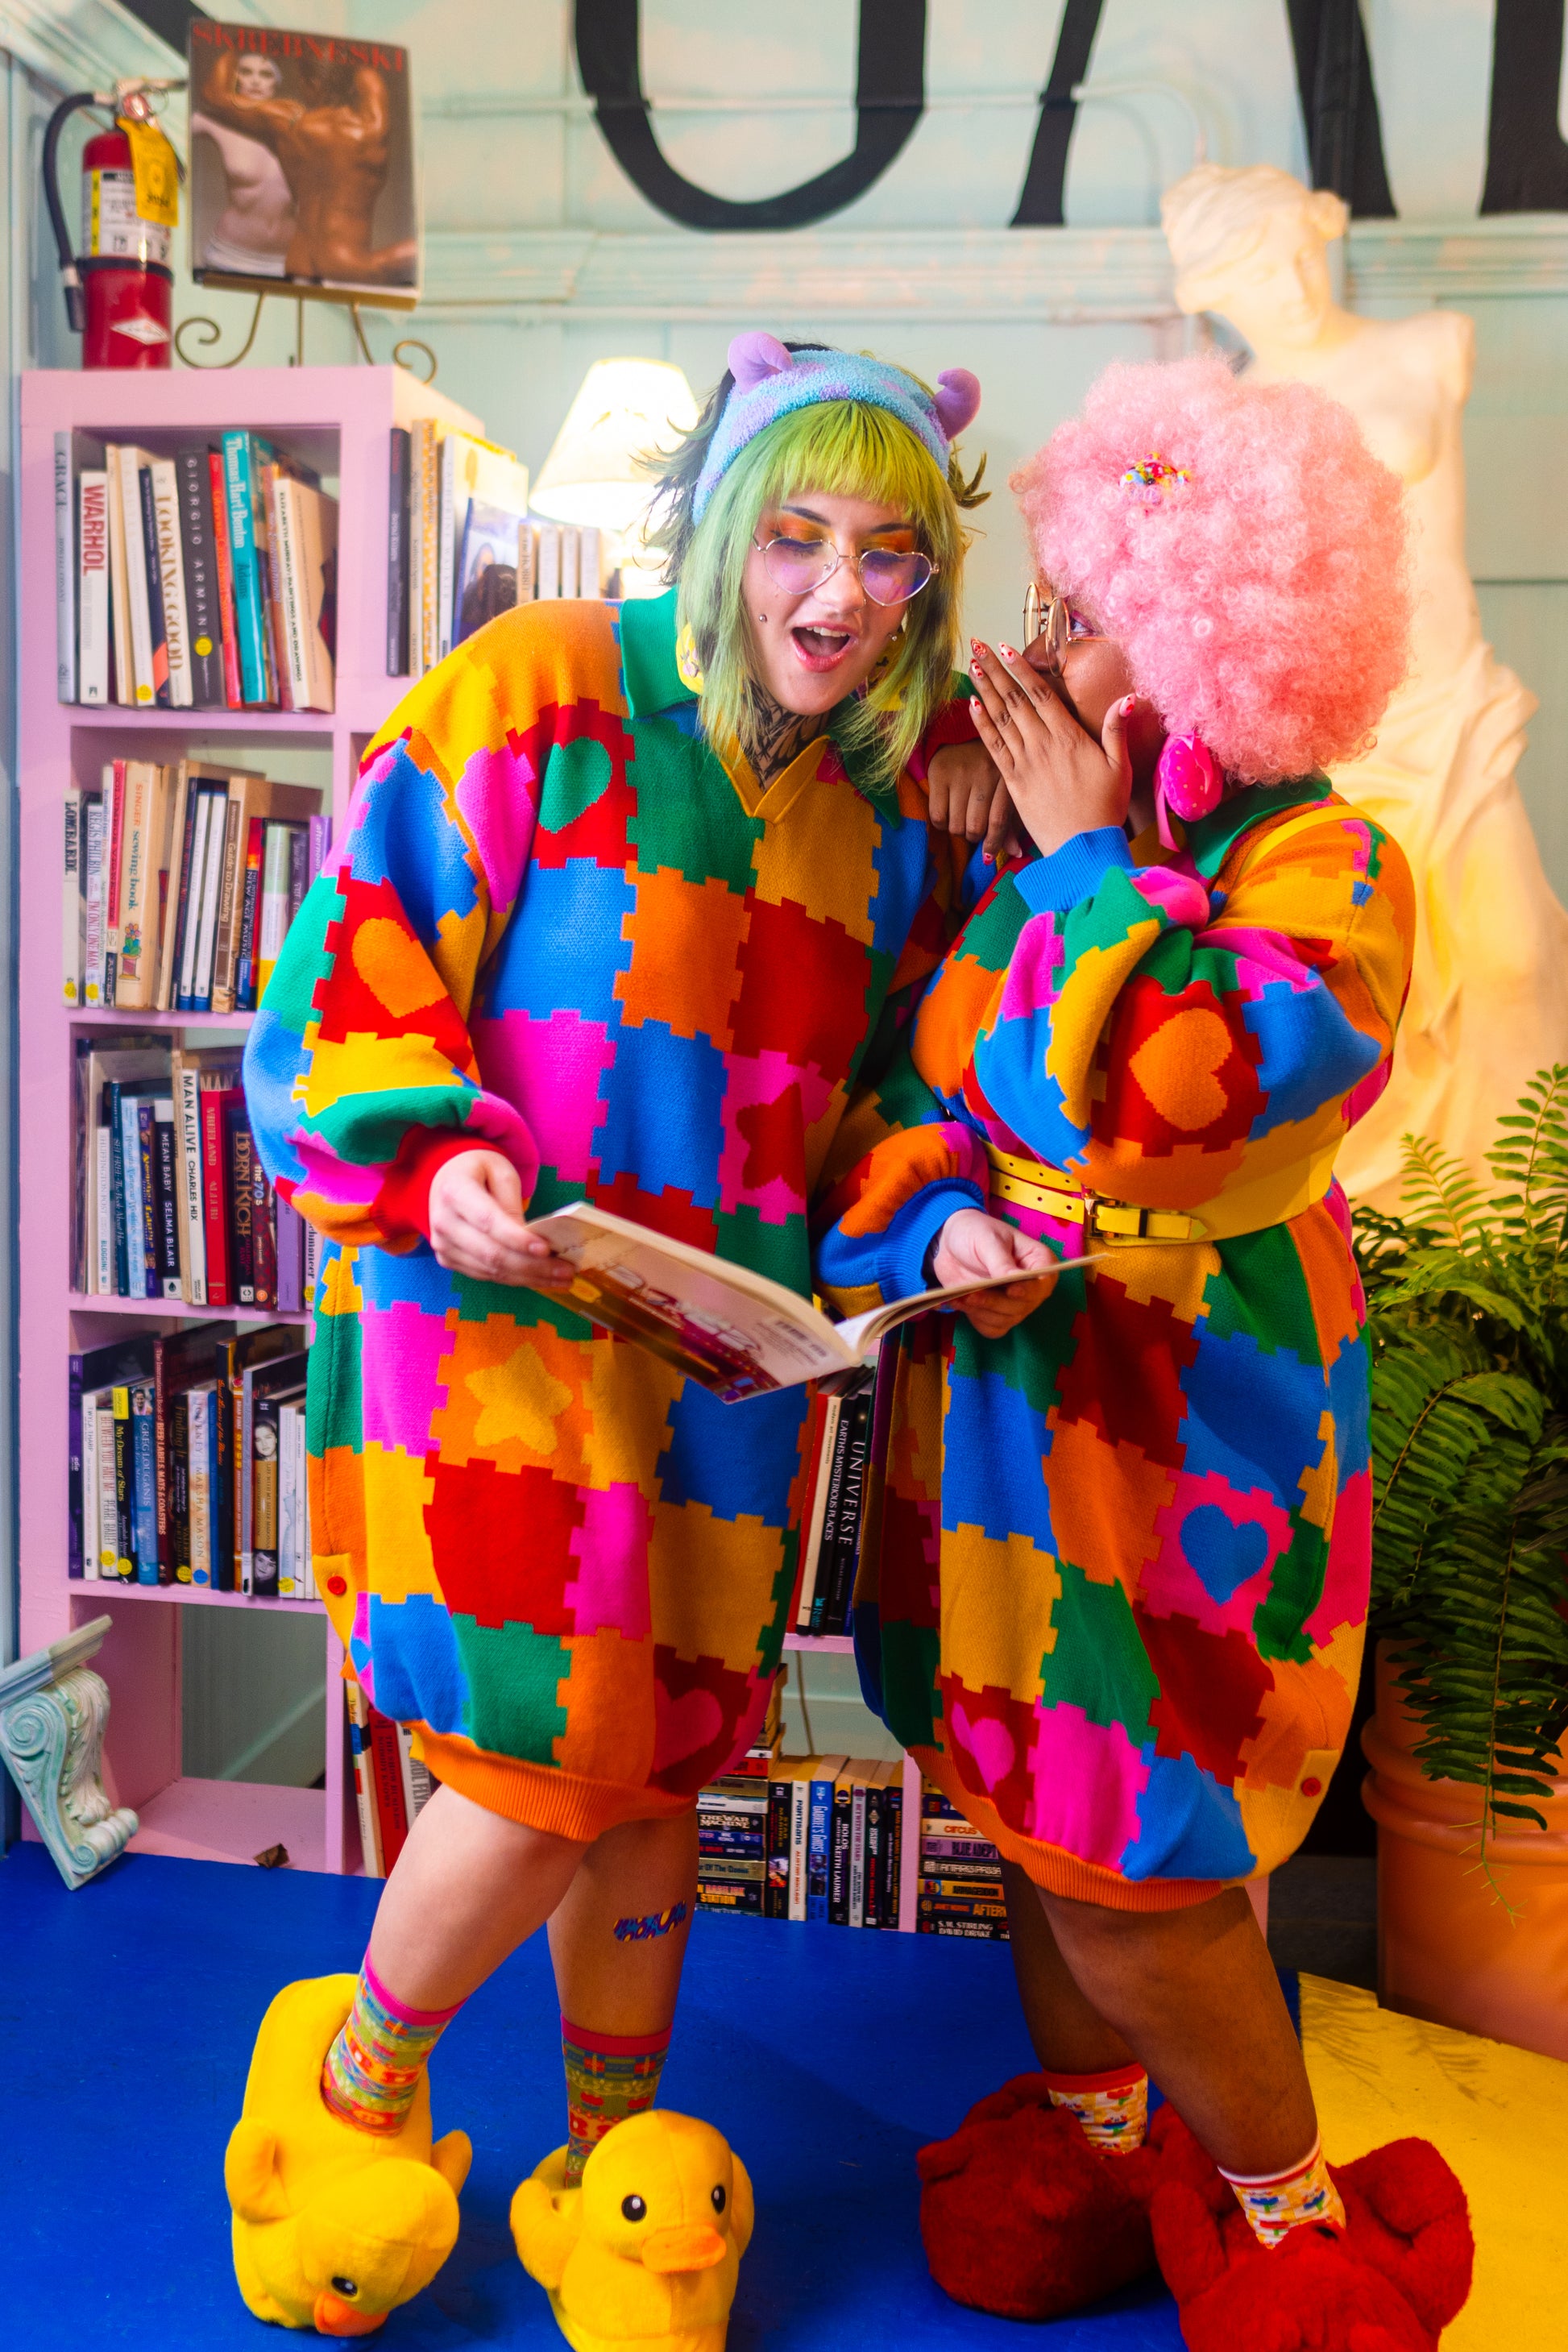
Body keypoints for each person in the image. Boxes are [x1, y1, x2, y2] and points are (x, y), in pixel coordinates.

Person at [238, 330, 1016, 2333]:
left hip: (722, 1391)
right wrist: (430, 1162)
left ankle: (597, 2170)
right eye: (804, 541)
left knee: (666, 1759)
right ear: (729, 523)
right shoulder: (539, 689)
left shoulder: (889, 823)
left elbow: (886, 1111)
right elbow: (353, 965)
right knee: (537, 1752)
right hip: (481, 1351)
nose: (843, 597)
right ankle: (353, 2095)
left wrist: (938, 1225)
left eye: (893, 559)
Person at [815, 356, 1472, 2344]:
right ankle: (1108, 2139)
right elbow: (913, 1100)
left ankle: (1287, 2221)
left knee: (1144, 1855)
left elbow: (1203, 1084)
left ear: (1211, 639)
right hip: (1004, 1424)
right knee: (1029, 1808)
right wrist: (934, 1218)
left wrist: (1091, 866)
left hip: (1190, 1438)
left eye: (1088, 611)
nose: (1037, 646)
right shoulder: (1015, 857)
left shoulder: (1327, 868)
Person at [1161, 162, 1568, 1210]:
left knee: (1517, 954)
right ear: (1215, 298)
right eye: (1255, 274)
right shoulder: (1229, 416)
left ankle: (1528, 1239)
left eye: (1298, 248)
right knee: (1356, 994)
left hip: (1452, 704)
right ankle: (1384, 1246)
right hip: (1340, 740)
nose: (1291, 282)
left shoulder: (1432, 347)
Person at [199, 46, 417, 288]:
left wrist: (239, 42)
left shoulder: (289, 124)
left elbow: (215, 94)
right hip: (347, 265)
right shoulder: (371, 130)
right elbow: (371, 79)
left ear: (307, 82)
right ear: (352, 84)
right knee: (426, 252)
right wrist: (351, 64)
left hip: (298, 262)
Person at [191, 52, 296, 280]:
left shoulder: (302, 127)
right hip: (229, 256)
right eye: (246, 72)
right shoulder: (215, 123)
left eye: (266, 74)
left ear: (277, 83)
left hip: (287, 260)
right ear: (234, 78)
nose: (256, 81)